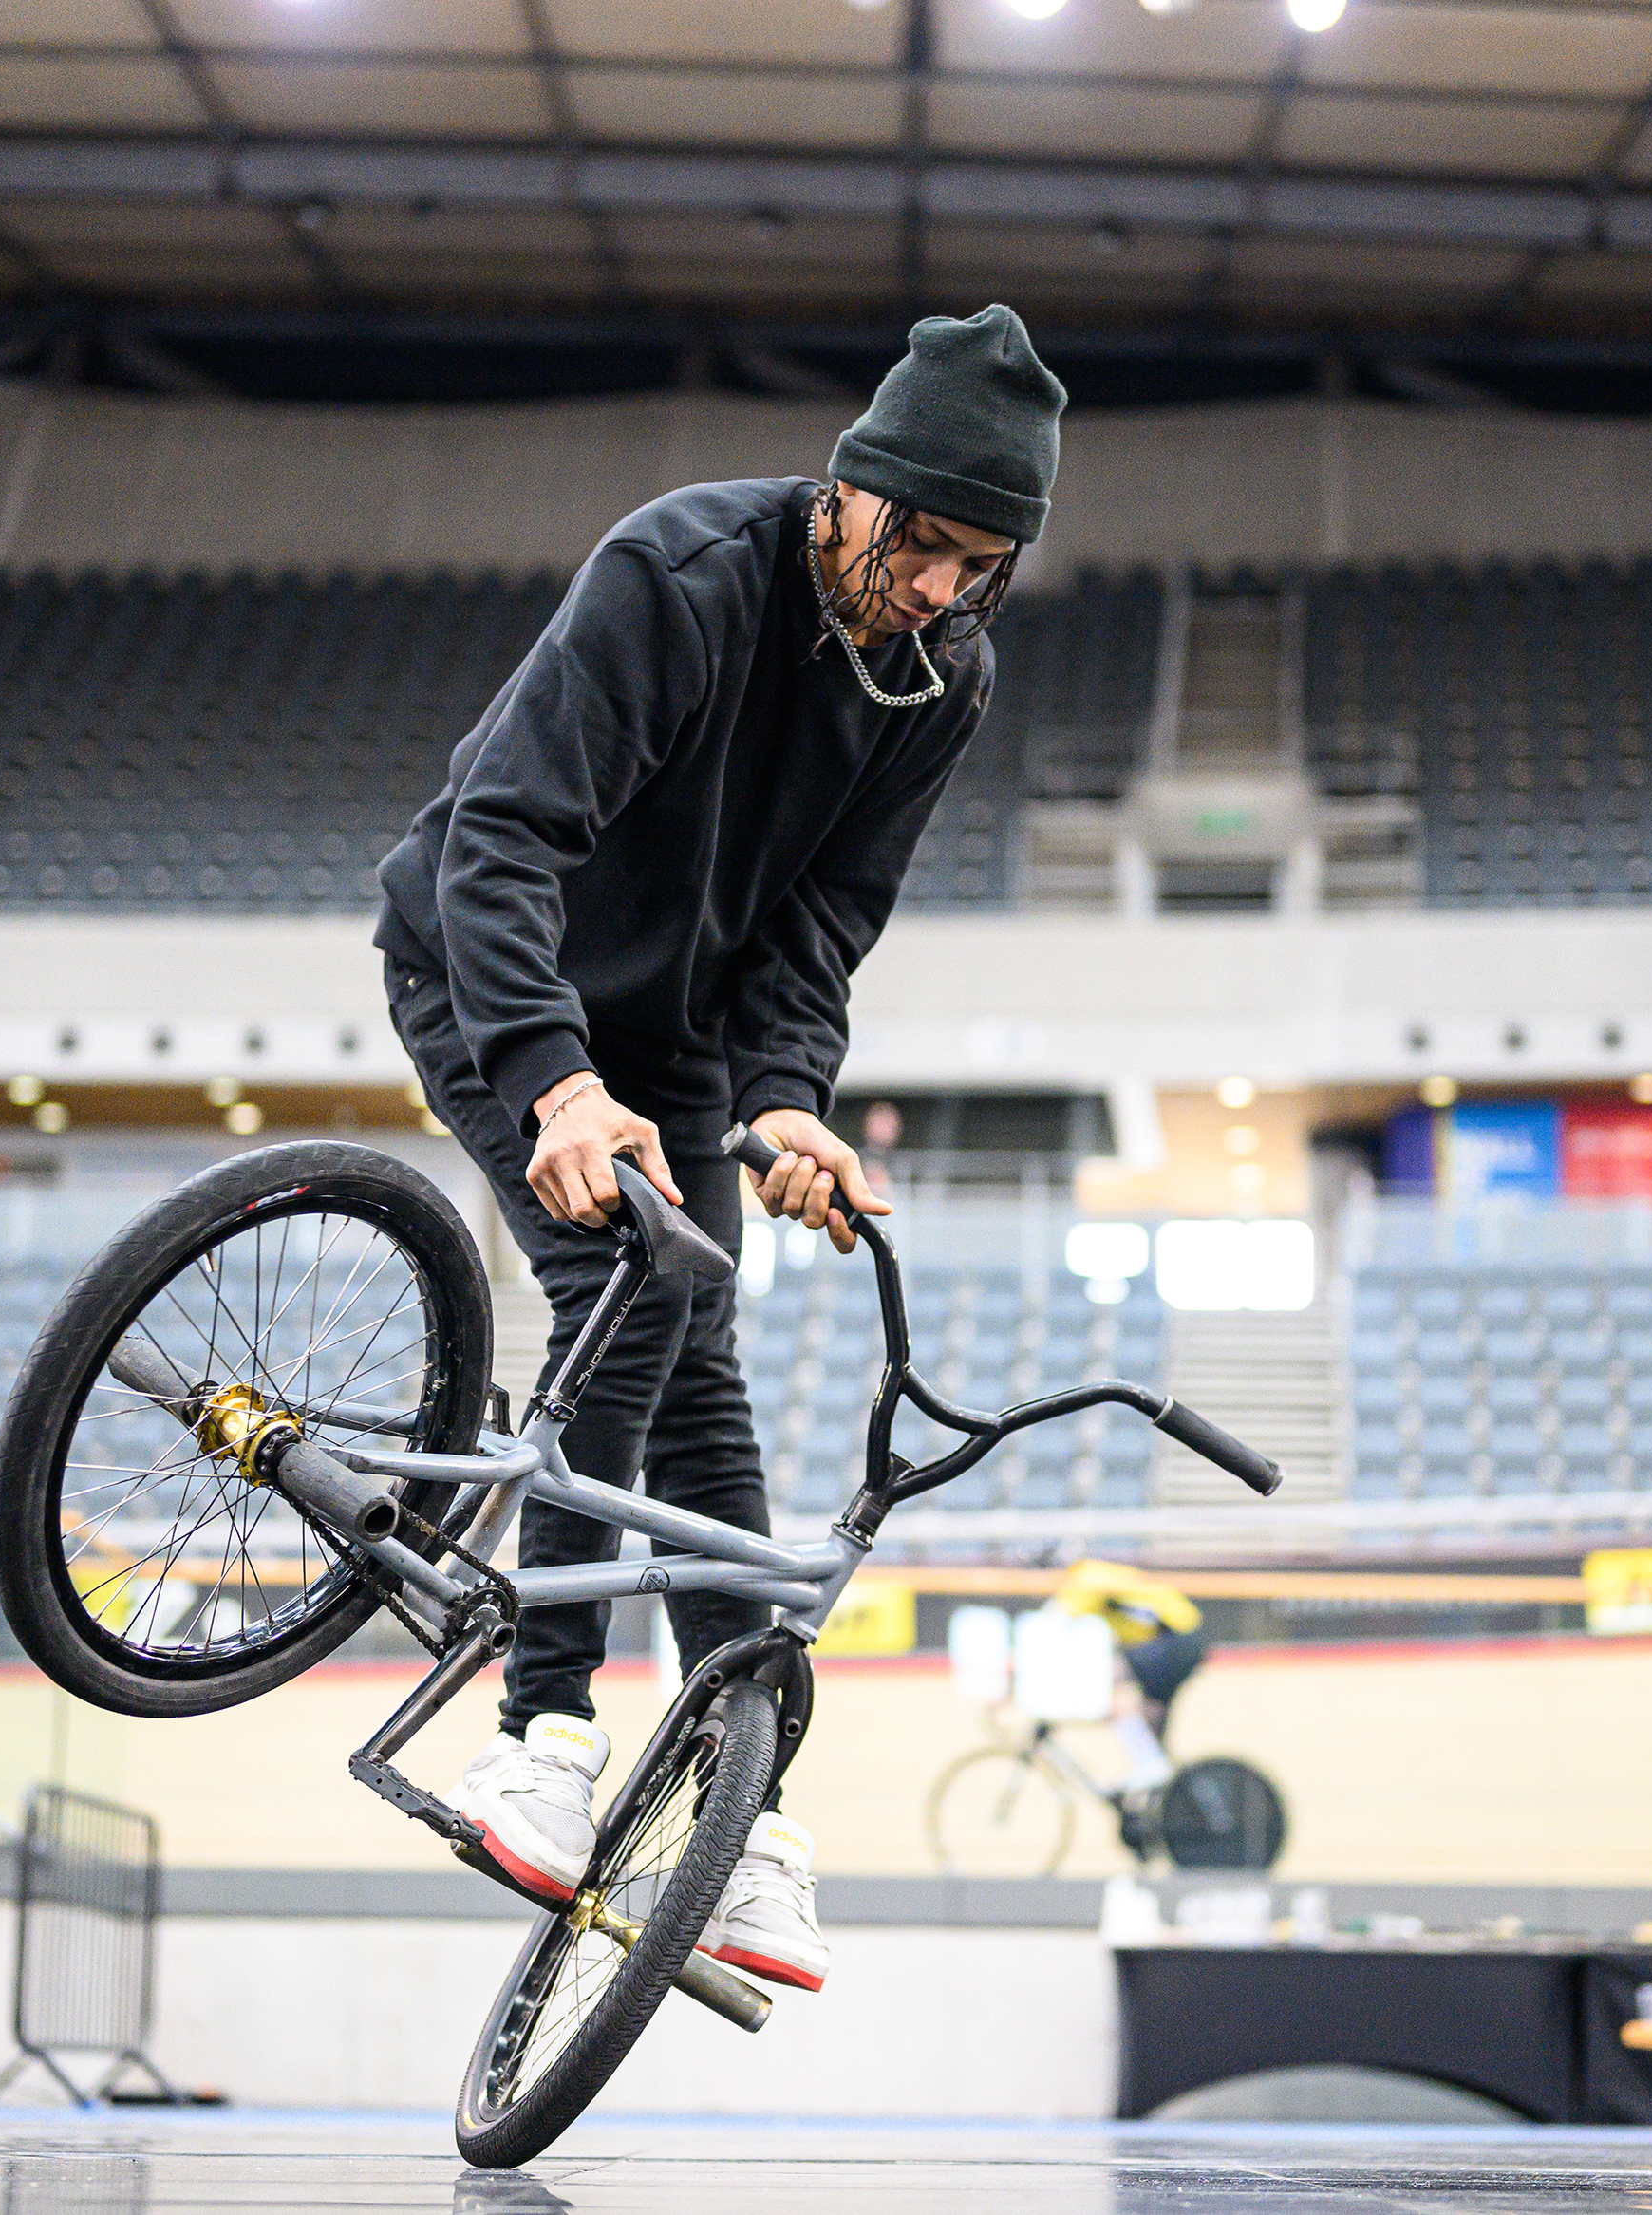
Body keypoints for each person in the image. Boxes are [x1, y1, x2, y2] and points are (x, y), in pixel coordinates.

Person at [374, 306, 1067, 1995]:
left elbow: (821, 927)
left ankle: (740, 1814)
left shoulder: (943, 677)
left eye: (977, 568)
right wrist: (551, 1083)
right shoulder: (675, 572)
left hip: (676, 1033)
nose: (936, 590)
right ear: (852, 490)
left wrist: (789, 1101)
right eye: (923, 546)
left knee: (701, 1358)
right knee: (629, 1268)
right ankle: (543, 1726)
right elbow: (507, 842)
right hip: (494, 964)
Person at [1046, 1557, 1205, 1794]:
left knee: (1104, 1686)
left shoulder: (1085, 1579)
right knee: (1152, 1730)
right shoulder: (1096, 1572)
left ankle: (1151, 1766)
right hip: (1177, 1639)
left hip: (1174, 1639)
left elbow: (1049, 1625)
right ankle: (1165, 1793)